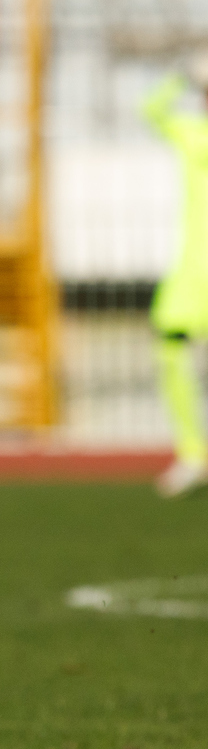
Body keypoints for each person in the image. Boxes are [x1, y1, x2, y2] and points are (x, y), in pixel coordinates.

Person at [142, 65, 208, 497]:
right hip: (194, 270)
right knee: (170, 349)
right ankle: (191, 454)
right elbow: (149, 109)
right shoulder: (192, 131)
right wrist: (185, 75)